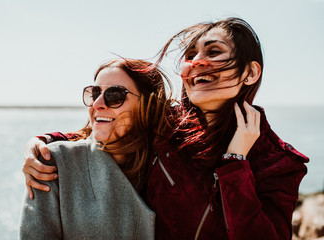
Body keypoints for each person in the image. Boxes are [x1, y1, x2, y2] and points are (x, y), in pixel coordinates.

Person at [22, 18, 308, 239]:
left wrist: (236, 164)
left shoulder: (281, 163)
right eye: (190, 55)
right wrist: (42, 144)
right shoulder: (167, 125)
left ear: (250, 73)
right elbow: (109, 128)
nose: (196, 63)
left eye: (214, 51)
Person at [19, 58, 173, 239]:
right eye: (94, 93)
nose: (97, 104)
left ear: (148, 105)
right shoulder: (54, 163)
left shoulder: (170, 167)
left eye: (115, 95)